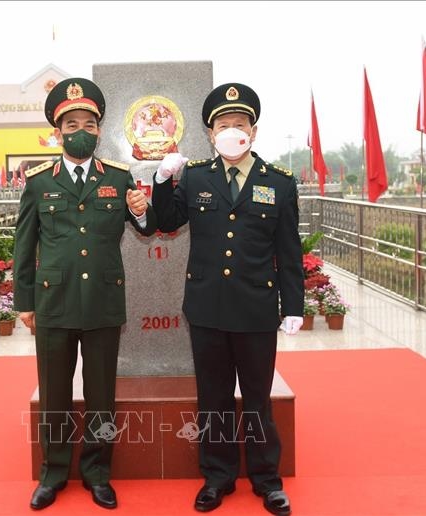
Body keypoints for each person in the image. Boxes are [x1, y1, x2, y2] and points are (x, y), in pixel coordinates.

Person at [151, 83, 304, 515]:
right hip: (208, 307)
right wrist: (162, 180)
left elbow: (288, 251)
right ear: (209, 131)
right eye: (223, 124)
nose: (232, 131)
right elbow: (165, 221)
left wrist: (293, 305)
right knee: (213, 398)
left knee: (257, 397)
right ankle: (217, 477)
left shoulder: (278, 182)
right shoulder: (196, 176)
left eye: (240, 124)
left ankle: (266, 479)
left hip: (256, 308)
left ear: (253, 132)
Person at [13, 77, 157, 511]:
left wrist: (142, 210)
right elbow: (24, 244)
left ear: (98, 130)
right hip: (53, 303)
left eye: (89, 124)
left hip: (102, 302)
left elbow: (146, 228)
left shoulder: (117, 175)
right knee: (54, 394)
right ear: (58, 133)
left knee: (101, 396)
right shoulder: (38, 182)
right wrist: (24, 302)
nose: (81, 130)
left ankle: (98, 473)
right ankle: (53, 472)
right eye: (71, 123)